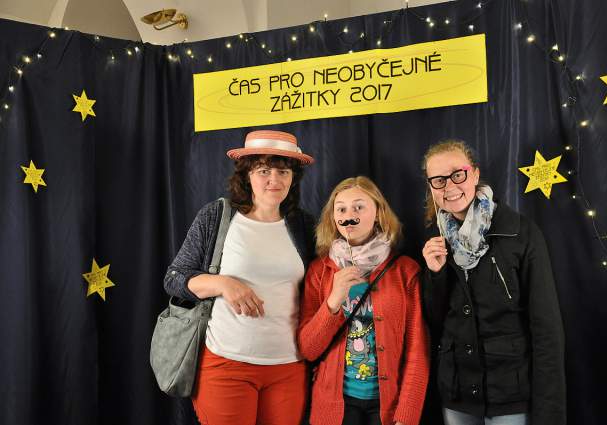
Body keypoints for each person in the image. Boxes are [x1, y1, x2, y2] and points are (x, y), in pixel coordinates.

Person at [163, 130, 316, 425]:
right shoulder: (217, 217)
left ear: (293, 178)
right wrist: (223, 284)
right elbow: (174, 277)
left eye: (283, 171)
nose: (274, 179)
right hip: (226, 364)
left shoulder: (304, 225)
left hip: (288, 367)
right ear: (247, 175)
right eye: (263, 170)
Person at [421, 139, 566, 425]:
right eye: (438, 180)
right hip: (458, 393)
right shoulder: (434, 240)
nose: (449, 186)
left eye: (458, 174)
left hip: (509, 393)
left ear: (474, 174)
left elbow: (546, 330)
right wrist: (435, 275)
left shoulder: (520, 233)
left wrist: (549, 412)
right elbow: (435, 322)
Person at [298, 176, 429, 425]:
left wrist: (407, 415)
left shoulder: (405, 271)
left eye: (359, 207)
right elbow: (308, 350)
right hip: (335, 406)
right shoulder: (319, 271)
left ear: (378, 213)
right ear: (333, 218)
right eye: (341, 209)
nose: (350, 215)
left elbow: (417, 350)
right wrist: (333, 301)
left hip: (387, 407)